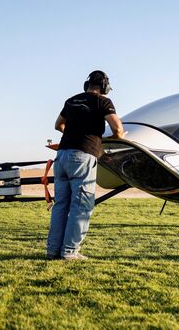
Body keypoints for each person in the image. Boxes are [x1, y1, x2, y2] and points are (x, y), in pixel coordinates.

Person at [46, 70, 125, 260]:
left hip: (62, 156)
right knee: (81, 206)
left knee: (61, 205)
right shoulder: (103, 102)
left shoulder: (72, 100)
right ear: (105, 87)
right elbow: (118, 130)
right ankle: (70, 252)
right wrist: (110, 139)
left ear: (86, 85)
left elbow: (58, 125)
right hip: (83, 157)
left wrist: (74, 132)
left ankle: (52, 251)